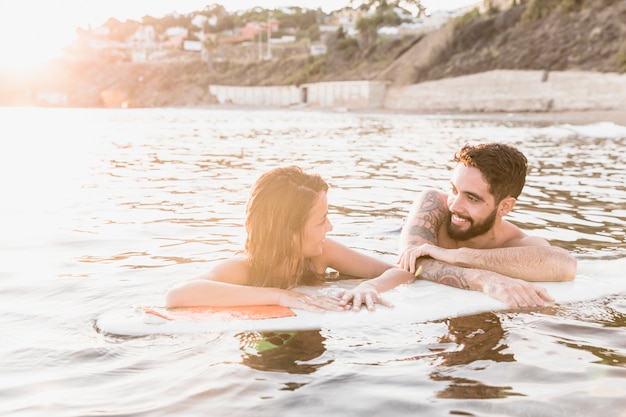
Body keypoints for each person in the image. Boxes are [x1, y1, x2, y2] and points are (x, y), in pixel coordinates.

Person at [342, 142, 577, 308]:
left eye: (472, 198)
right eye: (454, 190)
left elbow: (564, 264)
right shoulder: (434, 203)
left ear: (505, 207)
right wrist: (486, 279)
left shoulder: (519, 243)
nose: (455, 205)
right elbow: (411, 261)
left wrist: (455, 255)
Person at [165, 165, 414, 312]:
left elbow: (402, 272)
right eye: (321, 220)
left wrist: (368, 286)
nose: (330, 227)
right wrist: (281, 296)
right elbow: (177, 295)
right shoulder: (246, 267)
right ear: (289, 233)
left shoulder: (322, 254)